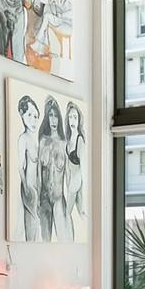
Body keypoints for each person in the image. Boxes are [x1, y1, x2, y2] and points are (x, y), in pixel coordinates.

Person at [37, 95, 66, 241]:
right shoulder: (42, 141)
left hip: (59, 197)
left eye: (56, 116)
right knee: (45, 240)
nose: (53, 119)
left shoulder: (63, 143)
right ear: (47, 118)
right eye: (50, 115)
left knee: (62, 238)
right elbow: (37, 172)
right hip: (44, 198)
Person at [15, 93, 42, 239]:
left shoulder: (38, 140)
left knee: (38, 230)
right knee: (31, 229)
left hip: (38, 190)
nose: (33, 120)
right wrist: (26, 189)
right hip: (29, 189)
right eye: (30, 115)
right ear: (22, 115)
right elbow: (20, 167)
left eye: (36, 116)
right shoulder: (23, 139)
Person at [63, 100, 85, 240]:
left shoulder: (79, 139)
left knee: (67, 212)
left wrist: (75, 185)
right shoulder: (68, 139)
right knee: (81, 213)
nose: (72, 120)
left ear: (79, 119)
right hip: (70, 179)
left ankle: (68, 239)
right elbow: (66, 165)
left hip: (76, 180)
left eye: (75, 117)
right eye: (70, 117)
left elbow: (82, 166)